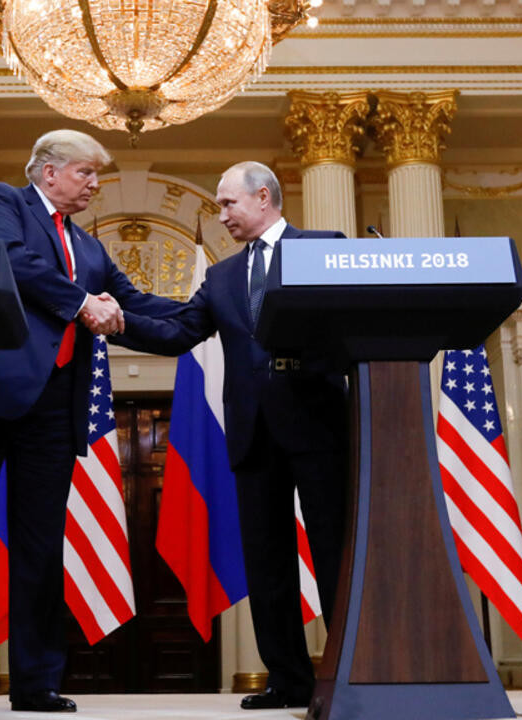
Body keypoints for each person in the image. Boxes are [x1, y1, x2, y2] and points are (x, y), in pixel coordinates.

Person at [0, 129, 182, 713]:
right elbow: (7, 260)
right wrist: (79, 303)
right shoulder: (3, 202)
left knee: (41, 547)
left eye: (97, 175)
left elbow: (135, 305)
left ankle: (36, 683)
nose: (95, 184)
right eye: (86, 173)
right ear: (48, 172)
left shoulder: (90, 249)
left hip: (53, 406)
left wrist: (212, 311)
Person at [117, 161, 350, 710]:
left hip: (318, 428)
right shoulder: (221, 277)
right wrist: (118, 319)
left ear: (263, 197)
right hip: (252, 435)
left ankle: (351, 668)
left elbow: (347, 322)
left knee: (336, 552)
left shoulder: (322, 249)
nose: (221, 216)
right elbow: (179, 330)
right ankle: (288, 678)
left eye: (228, 204)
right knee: (266, 562)